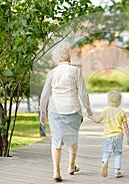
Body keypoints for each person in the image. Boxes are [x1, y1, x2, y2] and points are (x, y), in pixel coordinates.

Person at [39, 50, 93, 183]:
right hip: (73, 109)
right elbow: (82, 93)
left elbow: (45, 94)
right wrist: (88, 107)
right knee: (73, 138)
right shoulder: (76, 71)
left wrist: (42, 111)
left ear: (57, 59)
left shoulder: (52, 73)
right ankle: (71, 166)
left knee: (56, 140)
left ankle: (56, 171)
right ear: (69, 57)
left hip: (55, 110)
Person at [88, 89, 129, 178]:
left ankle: (105, 162)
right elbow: (126, 126)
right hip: (118, 136)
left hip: (107, 136)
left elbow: (98, 120)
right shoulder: (122, 112)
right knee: (117, 153)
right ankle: (117, 170)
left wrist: (90, 117)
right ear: (119, 101)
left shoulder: (105, 111)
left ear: (108, 101)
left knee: (106, 153)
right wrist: (128, 138)